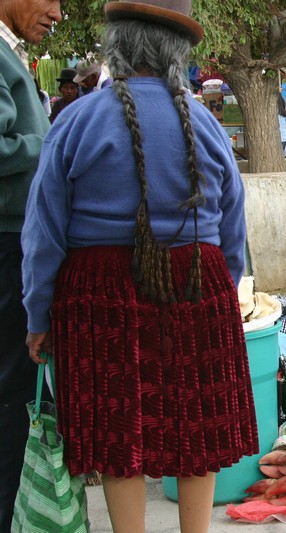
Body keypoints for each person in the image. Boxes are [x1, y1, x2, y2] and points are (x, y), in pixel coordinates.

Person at [20, 1, 258, 531]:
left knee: (116, 423)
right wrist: (226, 284)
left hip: (98, 293)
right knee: (193, 422)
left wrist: (39, 314)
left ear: (117, 46)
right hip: (197, 282)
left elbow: (44, 232)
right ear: (179, 54)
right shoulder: (204, 121)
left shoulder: (77, 119)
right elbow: (232, 224)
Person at [0, 0, 61, 529]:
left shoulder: (11, 54)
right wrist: (51, 145)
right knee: (13, 387)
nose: (57, 12)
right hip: (5, 242)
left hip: (14, 235)